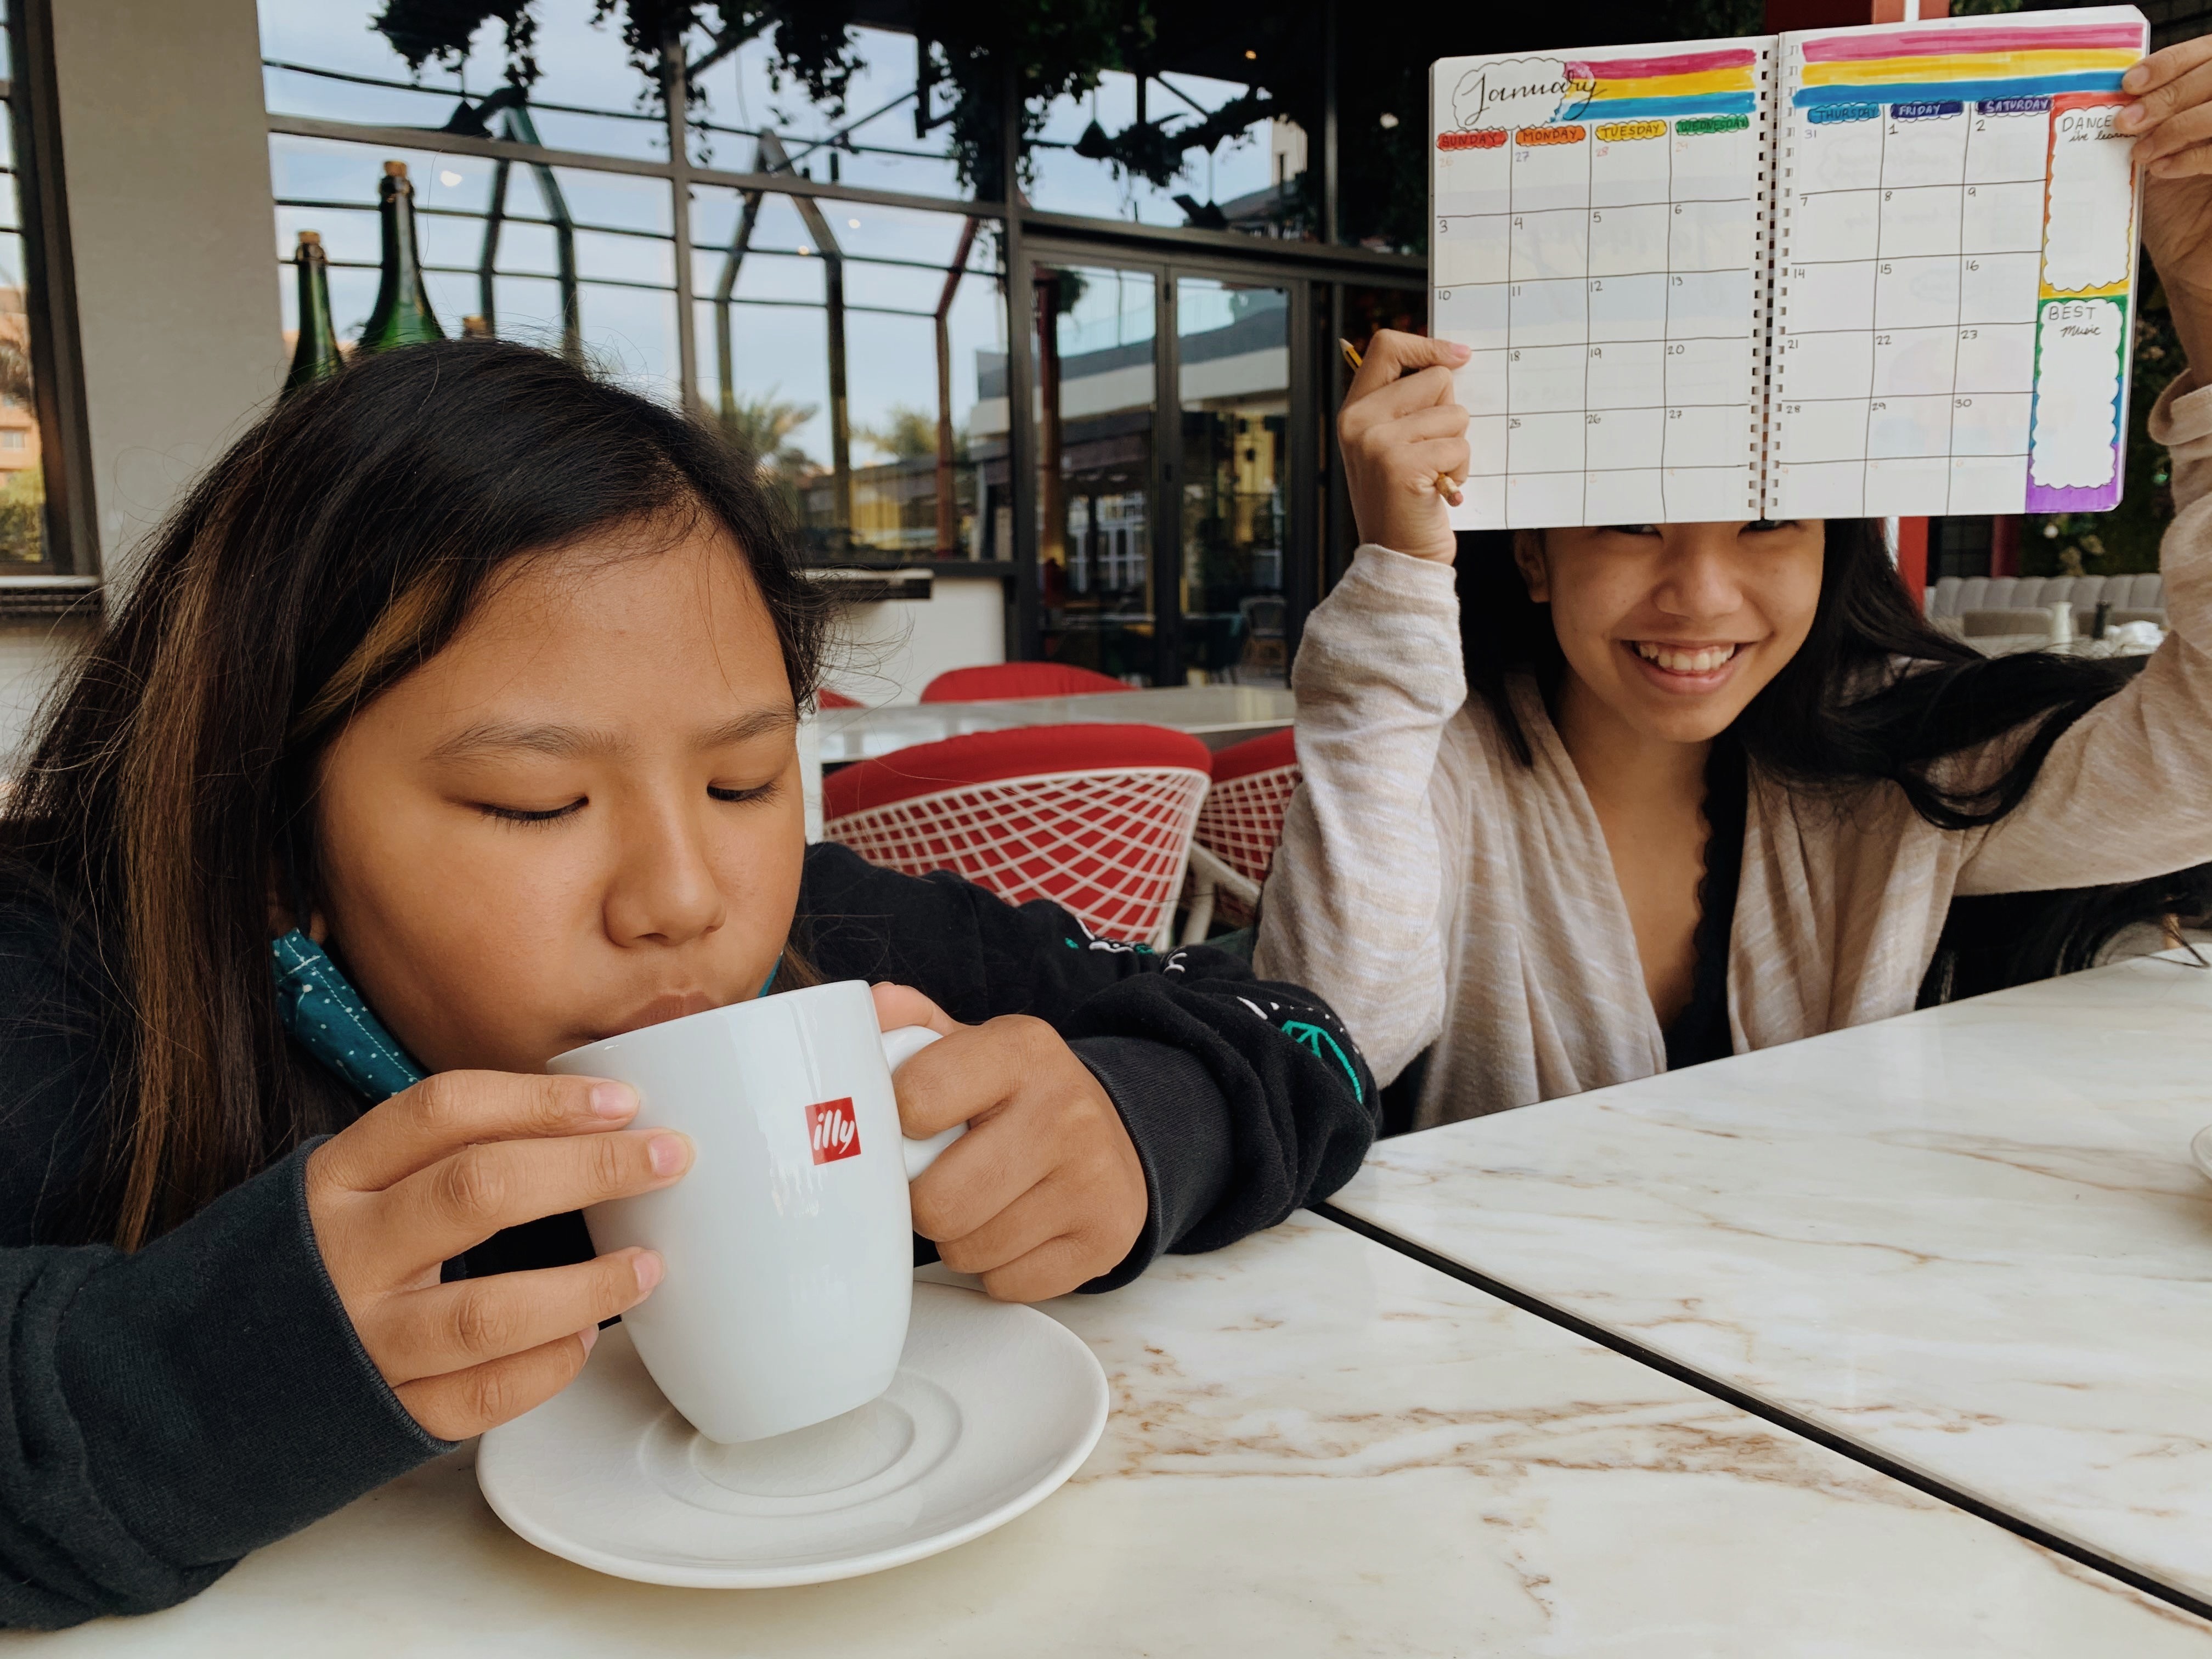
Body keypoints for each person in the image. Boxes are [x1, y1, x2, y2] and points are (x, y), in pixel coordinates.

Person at [0, 341, 1376, 1629]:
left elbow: (1308, 1040)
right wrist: (188, 1383)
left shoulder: (841, 952)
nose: (682, 897)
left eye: (742, 781)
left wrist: (1145, 1120)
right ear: (267, 835)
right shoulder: (64, 1010)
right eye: (535, 801)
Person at [1259, 36, 2212, 1132]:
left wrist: (2200, 286)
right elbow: (1329, 1028)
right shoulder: (1435, 770)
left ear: (1830, 545)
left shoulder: (1898, 779)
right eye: (1630, 522)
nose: (1703, 595)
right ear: (1534, 555)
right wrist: (1398, 574)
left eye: (1767, 522)